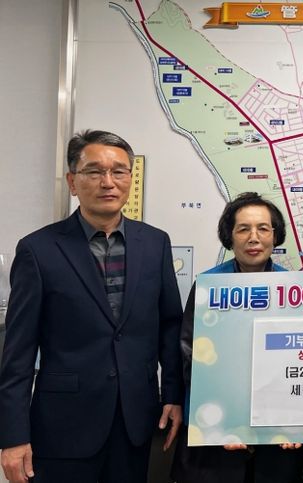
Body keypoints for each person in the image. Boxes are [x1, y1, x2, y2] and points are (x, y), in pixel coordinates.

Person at [0, 130, 183, 483]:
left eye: (119, 171)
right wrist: (13, 436)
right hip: (63, 425)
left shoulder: (155, 243)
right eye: (94, 171)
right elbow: (18, 351)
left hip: (135, 420)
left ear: (130, 178)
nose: (108, 182)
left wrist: (173, 395)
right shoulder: (39, 249)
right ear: (72, 182)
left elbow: (169, 325)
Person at [171, 192, 303, 483]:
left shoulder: (295, 288)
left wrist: (296, 422)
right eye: (243, 229)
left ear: (275, 236)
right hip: (216, 429)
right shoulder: (208, 286)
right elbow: (190, 355)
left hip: (277, 432)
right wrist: (227, 420)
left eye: (263, 229)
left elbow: (300, 360)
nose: (253, 238)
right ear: (229, 236)